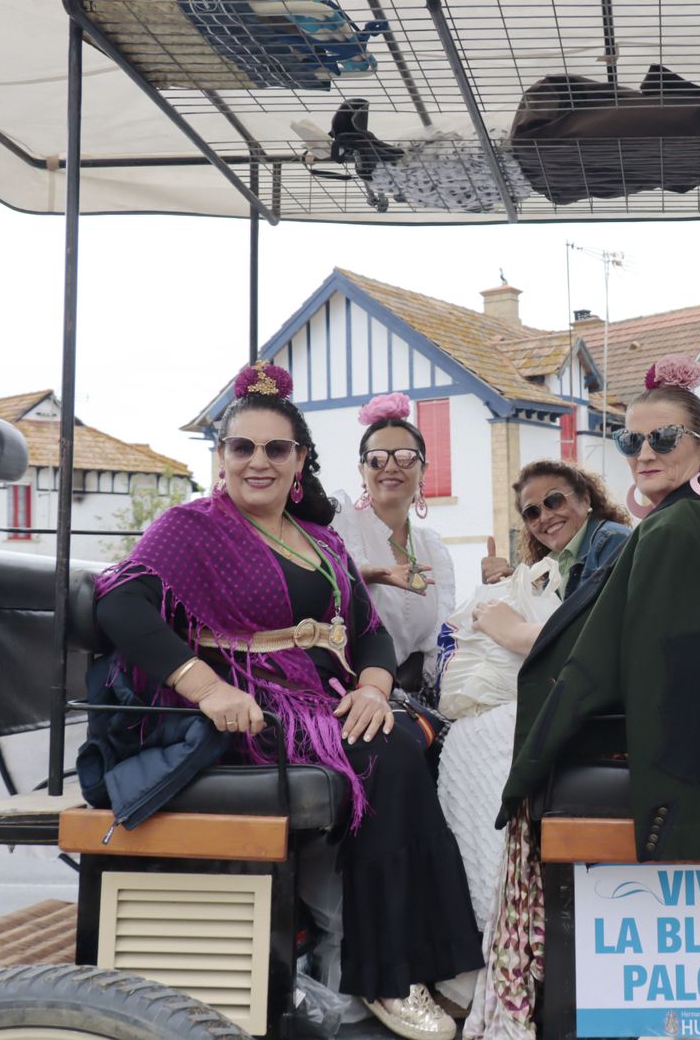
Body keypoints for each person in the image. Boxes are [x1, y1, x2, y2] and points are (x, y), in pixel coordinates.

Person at [88, 362, 478, 1040]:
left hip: (325, 697)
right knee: (385, 755)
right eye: (242, 447)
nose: (258, 461)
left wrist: (374, 687)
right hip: (249, 709)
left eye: (276, 448)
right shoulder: (189, 527)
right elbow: (121, 603)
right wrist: (207, 687)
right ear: (222, 457)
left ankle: (426, 957)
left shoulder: (320, 539)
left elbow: (369, 631)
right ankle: (384, 975)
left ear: (299, 460)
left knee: (425, 743)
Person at [464, 357, 700, 1037]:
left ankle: (491, 971)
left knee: (470, 757)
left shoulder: (673, 531)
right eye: (631, 440)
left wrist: (669, 812)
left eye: (663, 438)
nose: (644, 453)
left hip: (637, 735)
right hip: (681, 720)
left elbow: (667, 666)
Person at [330, 393, 456, 711]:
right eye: (376, 459)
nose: (390, 467)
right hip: (346, 695)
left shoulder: (432, 549)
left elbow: (437, 648)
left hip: (413, 702)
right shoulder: (340, 526)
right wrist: (362, 576)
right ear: (362, 470)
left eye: (405, 457)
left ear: (423, 469)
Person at [471, 459, 633, 656]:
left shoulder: (612, 541)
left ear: (585, 499)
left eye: (554, 501)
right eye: (532, 512)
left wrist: (512, 631)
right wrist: (508, 587)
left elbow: (594, 634)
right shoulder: (550, 568)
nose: (545, 517)